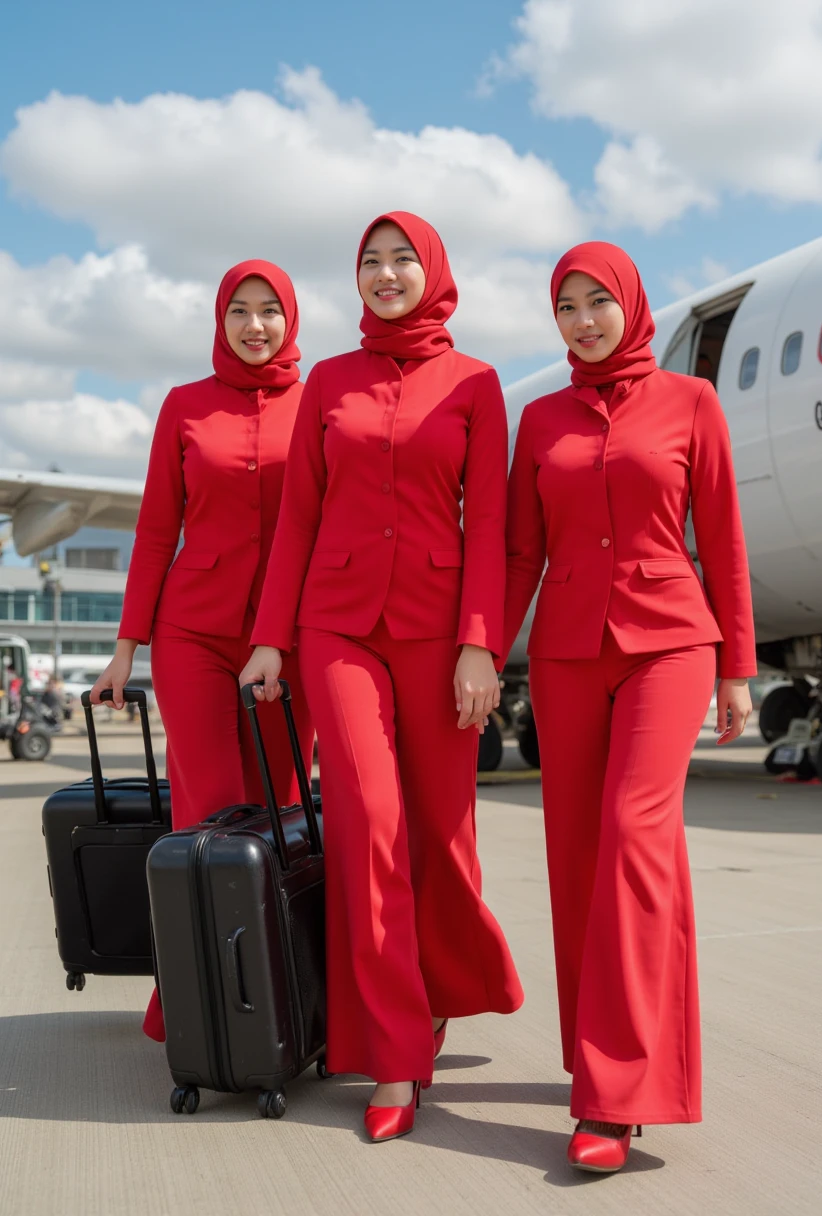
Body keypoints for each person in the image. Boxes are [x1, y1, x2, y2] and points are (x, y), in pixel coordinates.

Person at [241, 212, 524, 1142]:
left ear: (433, 271)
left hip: (443, 635)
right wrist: (272, 638)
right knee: (369, 826)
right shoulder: (328, 380)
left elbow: (489, 523)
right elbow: (297, 521)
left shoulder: (477, 384)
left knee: (442, 837)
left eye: (404, 259)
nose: (387, 273)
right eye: (371, 261)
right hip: (336, 627)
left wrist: (482, 640)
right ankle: (396, 1056)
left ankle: (446, 983)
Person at [502, 242, 755, 1174]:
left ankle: (620, 1094)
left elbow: (722, 535)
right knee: (573, 855)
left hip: (670, 643)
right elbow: (519, 552)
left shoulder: (692, 402)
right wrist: (483, 649)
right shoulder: (540, 421)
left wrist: (737, 664)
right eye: (564, 305)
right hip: (566, 651)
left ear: (631, 304)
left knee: (632, 835)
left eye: (597, 300)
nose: (582, 319)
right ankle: (590, 1053)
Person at [91, 260, 314, 1043]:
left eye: (270, 312)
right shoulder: (184, 407)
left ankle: (283, 992)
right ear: (219, 321)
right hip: (192, 633)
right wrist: (126, 648)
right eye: (239, 312)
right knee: (209, 812)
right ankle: (193, 997)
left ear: (292, 320)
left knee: (283, 813)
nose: (255, 326)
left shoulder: (319, 403)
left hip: (286, 640)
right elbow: (156, 530)